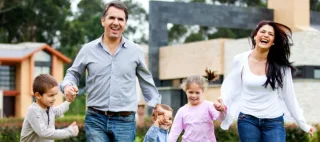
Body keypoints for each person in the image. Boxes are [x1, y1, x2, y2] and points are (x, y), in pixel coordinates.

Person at [59, 1, 165, 141]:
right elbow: (73, 74)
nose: (116, 22)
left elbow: (146, 81)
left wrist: (156, 105)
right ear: (103, 20)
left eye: (120, 19)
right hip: (95, 119)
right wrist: (67, 86)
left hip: (125, 122)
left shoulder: (135, 51)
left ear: (125, 23)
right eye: (112, 18)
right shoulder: (88, 50)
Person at [214, 20, 315, 142]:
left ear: (273, 42)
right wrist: (223, 102)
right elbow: (231, 86)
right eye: (262, 31)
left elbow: (290, 97)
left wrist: (303, 124)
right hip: (247, 119)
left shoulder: (281, 66)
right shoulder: (240, 59)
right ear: (255, 36)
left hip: (274, 122)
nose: (266, 35)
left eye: (270, 34)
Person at [20, 74, 79, 142]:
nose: (54, 98)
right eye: (51, 95)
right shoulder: (33, 110)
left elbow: (58, 111)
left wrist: (69, 100)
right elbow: (44, 133)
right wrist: (69, 131)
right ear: (38, 95)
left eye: (55, 95)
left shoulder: (49, 108)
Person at [168, 74, 226, 142]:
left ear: (203, 92)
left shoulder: (209, 106)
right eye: (191, 92)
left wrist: (222, 111)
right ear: (186, 91)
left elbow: (221, 119)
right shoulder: (182, 111)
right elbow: (174, 133)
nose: (194, 95)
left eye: (197, 93)